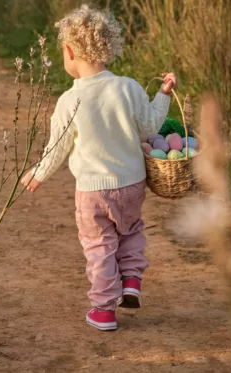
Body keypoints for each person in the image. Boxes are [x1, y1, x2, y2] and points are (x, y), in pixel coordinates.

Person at [21, 4, 178, 331]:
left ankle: (104, 310)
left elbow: (58, 146)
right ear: (108, 48)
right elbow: (150, 128)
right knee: (131, 231)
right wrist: (163, 94)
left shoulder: (70, 100)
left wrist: (38, 173)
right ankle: (132, 280)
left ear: (68, 51)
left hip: (93, 192)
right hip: (133, 184)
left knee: (100, 247)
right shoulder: (130, 87)